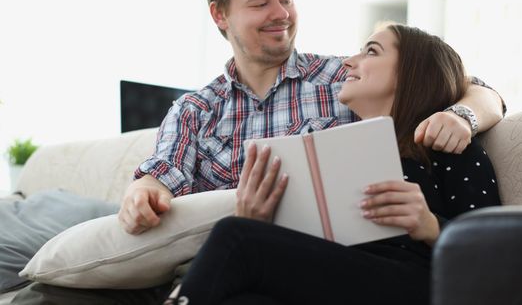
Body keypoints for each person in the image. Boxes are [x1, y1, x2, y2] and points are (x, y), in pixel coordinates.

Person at [118, 0, 504, 235]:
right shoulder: (194, 110)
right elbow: (158, 176)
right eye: (260, 4)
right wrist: (140, 196)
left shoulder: (347, 77)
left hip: (330, 253)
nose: (281, 14)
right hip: (236, 252)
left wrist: (461, 117)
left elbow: (460, 84)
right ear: (220, 15)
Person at [166, 24, 502, 305]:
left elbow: (497, 259)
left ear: (414, 70)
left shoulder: (449, 146)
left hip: (415, 282)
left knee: (235, 235)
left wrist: (430, 226)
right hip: (341, 277)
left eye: (371, 51)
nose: (349, 62)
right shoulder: (343, 147)